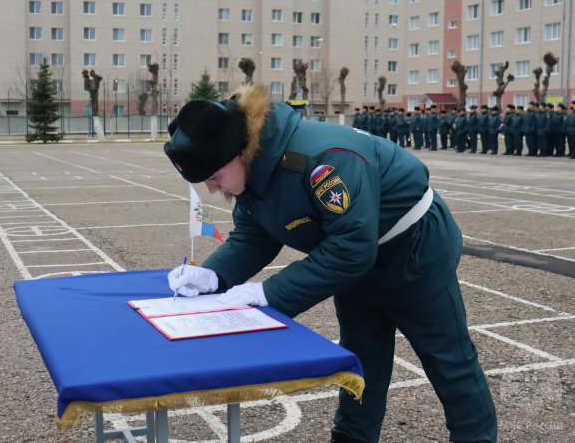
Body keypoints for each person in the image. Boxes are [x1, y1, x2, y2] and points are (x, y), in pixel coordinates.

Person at [163, 85, 497, 443]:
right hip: (348, 262)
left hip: (414, 251)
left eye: (214, 177)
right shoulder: (252, 167)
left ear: (241, 152)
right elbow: (253, 236)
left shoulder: (322, 159)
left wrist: (268, 293)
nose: (213, 189)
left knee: (448, 360)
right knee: (360, 359)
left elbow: (352, 247)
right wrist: (215, 274)